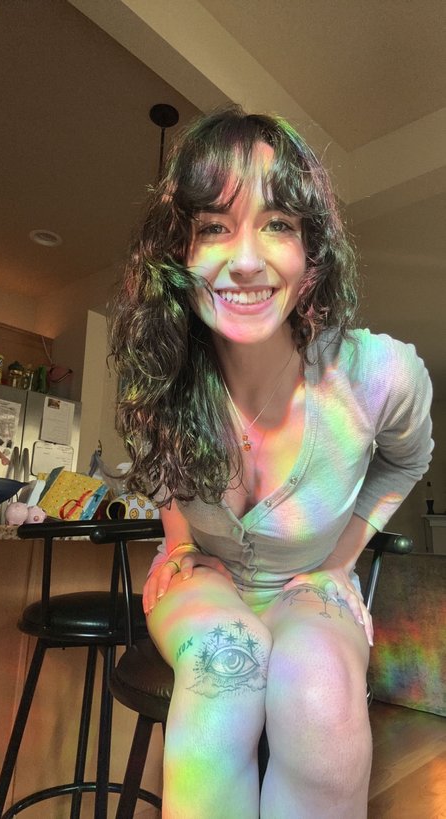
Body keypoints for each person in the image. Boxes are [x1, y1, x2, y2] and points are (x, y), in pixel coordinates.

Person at [110, 106, 433, 819]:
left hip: (307, 584)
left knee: (320, 690)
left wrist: (341, 562)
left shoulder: (380, 375)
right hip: (208, 581)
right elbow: (159, 466)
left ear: (312, 252)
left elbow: (407, 462)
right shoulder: (162, 374)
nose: (247, 259)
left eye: (278, 223)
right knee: (224, 665)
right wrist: (179, 541)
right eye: (214, 227)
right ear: (178, 253)